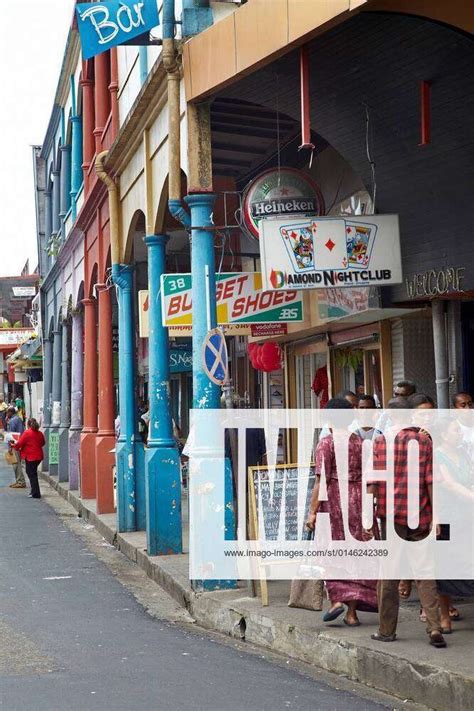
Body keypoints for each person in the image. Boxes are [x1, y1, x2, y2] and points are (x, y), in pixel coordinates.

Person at [371, 393, 447, 648]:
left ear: (391, 415)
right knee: (425, 573)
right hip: (420, 514)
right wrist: (436, 516)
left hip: (390, 517)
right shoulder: (424, 441)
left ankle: (386, 630)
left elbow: (373, 483)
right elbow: (431, 482)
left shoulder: (380, 442)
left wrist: (368, 518)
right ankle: (435, 628)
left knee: (389, 575)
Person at [306, 398, 378, 627]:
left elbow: (320, 482)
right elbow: (370, 480)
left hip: (334, 500)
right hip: (357, 500)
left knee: (332, 551)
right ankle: (352, 613)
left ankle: (336, 601)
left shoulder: (325, 444)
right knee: (356, 556)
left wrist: (312, 512)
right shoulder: (361, 442)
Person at [11, 418, 45, 499]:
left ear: (28, 425)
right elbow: (43, 443)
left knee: (31, 474)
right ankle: (34, 491)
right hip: (38, 456)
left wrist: (13, 446)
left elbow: (19, 443)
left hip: (30, 456)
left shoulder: (27, 433)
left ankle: (35, 493)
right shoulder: (39, 433)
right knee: (33, 473)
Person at [6, 407, 26, 489]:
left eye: (7, 413)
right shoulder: (18, 419)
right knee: (17, 463)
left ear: (11, 412)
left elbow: (12, 435)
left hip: (15, 445)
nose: (7, 415)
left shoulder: (13, 421)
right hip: (19, 443)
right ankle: (19, 481)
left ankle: (20, 481)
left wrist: (10, 447)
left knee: (16, 464)